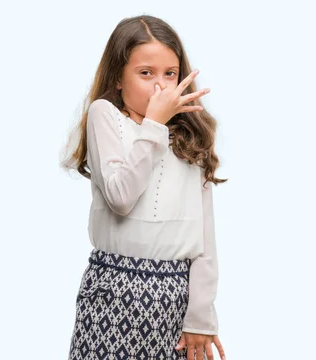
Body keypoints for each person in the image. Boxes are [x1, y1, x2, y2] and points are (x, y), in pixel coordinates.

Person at [61, 14, 227, 360]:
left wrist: (201, 315)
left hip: (175, 298)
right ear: (119, 78)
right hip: (112, 292)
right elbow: (121, 197)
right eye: (146, 73)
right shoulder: (105, 116)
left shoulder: (190, 137)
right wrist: (154, 125)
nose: (161, 87)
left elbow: (205, 237)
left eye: (171, 74)